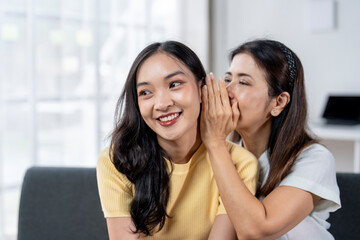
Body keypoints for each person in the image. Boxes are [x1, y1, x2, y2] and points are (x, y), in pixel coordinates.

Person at [96, 40, 258, 240]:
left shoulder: (240, 164)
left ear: (203, 89)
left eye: (174, 84)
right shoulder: (117, 161)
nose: (162, 104)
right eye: (145, 92)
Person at [200, 39, 341, 239]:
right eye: (228, 79)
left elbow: (255, 231)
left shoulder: (315, 159)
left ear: (279, 102)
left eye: (243, 82)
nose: (227, 91)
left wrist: (215, 142)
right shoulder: (227, 155)